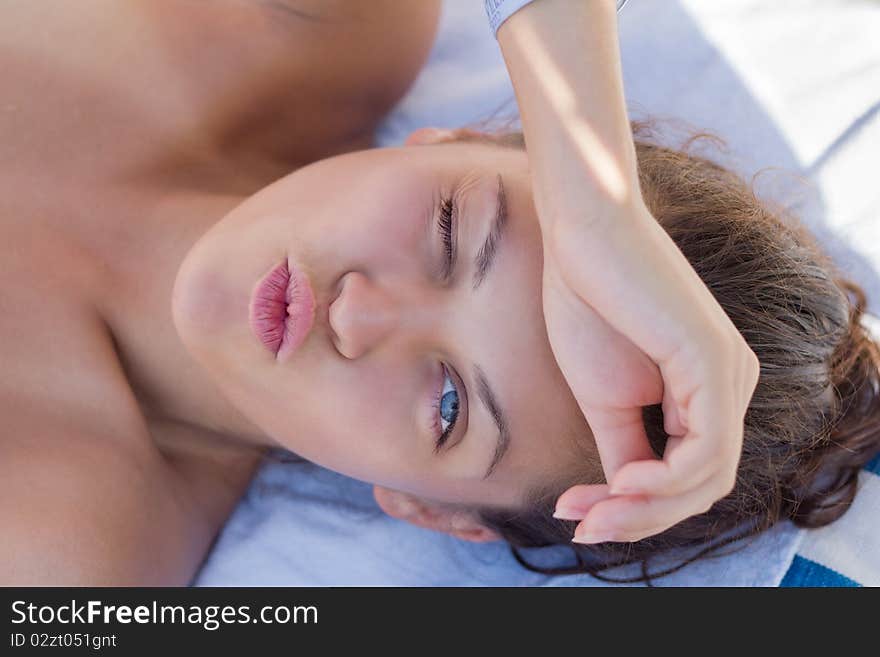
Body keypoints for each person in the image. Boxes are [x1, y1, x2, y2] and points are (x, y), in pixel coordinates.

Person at [2, 0, 878, 586]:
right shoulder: (314, 28)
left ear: (431, 511)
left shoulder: (60, 557)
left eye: (451, 405)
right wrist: (592, 197)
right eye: (454, 232)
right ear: (453, 139)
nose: (356, 313)